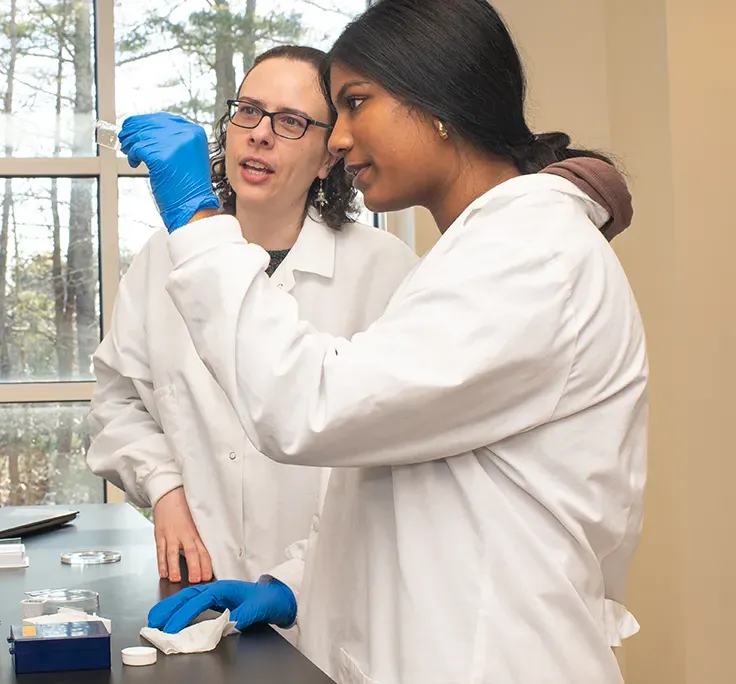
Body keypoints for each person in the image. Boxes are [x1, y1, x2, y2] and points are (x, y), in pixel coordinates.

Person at [119, 1, 648, 683]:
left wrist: (196, 216)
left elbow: (311, 406)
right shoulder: (482, 253)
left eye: (355, 103)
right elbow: (406, 486)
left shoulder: (532, 254)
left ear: (441, 101)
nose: (337, 139)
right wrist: (295, 587)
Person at [86, 46, 418, 587]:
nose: (260, 133)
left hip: (334, 594)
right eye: (248, 111)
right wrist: (165, 488)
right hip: (198, 584)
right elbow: (118, 400)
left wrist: (293, 580)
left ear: (329, 156)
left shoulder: (383, 272)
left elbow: (393, 468)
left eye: (290, 121)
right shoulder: (163, 258)